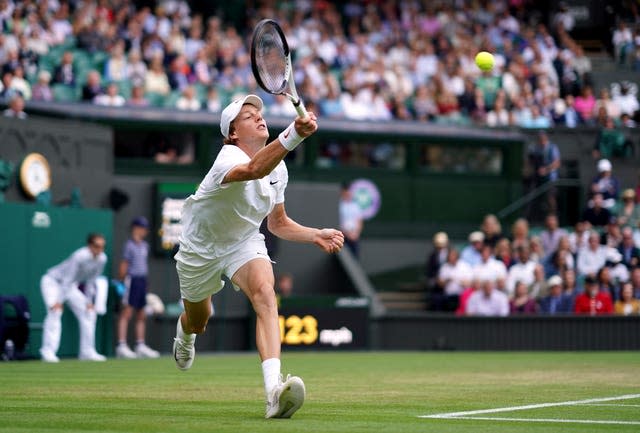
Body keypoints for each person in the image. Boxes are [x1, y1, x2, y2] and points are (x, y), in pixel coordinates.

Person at [172, 95, 344, 419]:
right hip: (200, 248)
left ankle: (273, 394)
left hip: (243, 240)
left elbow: (277, 223)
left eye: (259, 114)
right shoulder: (227, 159)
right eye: (248, 116)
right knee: (199, 320)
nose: (259, 118)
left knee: (266, 294)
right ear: (233, 133)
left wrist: (314, 234)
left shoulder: (278, 169)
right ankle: (185, 334)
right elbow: (253, 169)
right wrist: (294, 134)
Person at [39, 233, 108, 362]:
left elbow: (91, 281)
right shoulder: (79, 256)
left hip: (70, 287)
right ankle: (47, 352)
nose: (100, 249)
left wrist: (89, 301)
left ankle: (87, 352)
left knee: (89, 312)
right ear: (89, 246)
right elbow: (68, 278)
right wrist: (59, 301)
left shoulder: (102, 259)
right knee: (55, 312)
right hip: (53, 282)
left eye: (102, 246)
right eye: (97, 246)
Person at [115, 216, 160, 359]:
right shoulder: (129, 245)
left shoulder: (145, 246)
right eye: (142, 228)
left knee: (141, 314)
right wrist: (122, 282)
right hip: (131, 280)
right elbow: (124, 266)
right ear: (135, 228)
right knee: (127, 312)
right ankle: (121, 346)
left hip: (142, 281)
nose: (145, 231)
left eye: (146, 229)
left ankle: (140, 345)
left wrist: (145, 284)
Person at [339, 181, 363, 258]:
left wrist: (356, 234)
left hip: (354, 237)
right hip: (342, 237)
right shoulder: (339, 205)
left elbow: (359, 221)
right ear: (343, 192)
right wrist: (346, 233)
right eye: (346, 191)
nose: (348, 193)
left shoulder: (355, 205)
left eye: (349, 190)